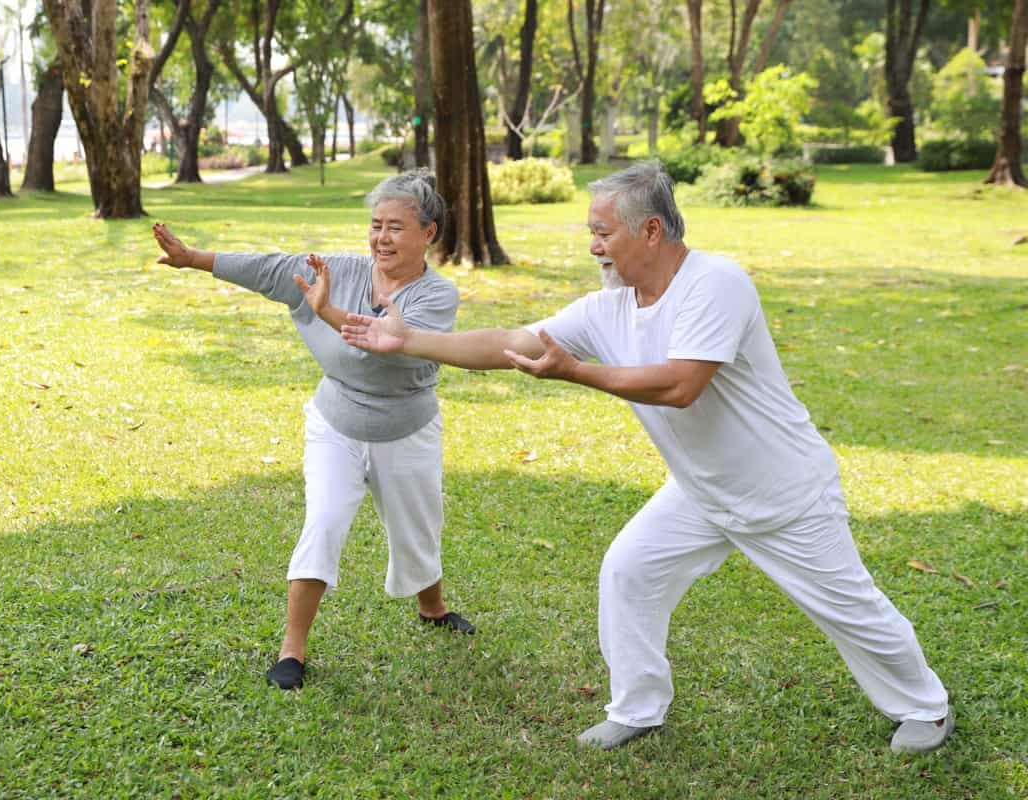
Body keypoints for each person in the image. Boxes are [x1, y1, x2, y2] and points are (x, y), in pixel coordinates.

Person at [340, 160, 953, 753]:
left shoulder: (715, 284)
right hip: (701, 490)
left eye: (602, 233)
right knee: (629, 572)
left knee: (852, 610)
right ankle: (637, 709)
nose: (593, 248)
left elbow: (681, 386)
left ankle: (925, 707)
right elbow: (510, 343)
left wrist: (577, 372)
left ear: (651, 230)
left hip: (783, 491)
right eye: (591, 234)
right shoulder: (609, 306)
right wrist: (408, 339)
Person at [151, 170, 475, 692]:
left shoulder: (438, 296)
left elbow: (391, 338)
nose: (381, 238)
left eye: (396, 227)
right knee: (323, 521)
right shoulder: (336, 270)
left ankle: (432, 609)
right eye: (375, 225)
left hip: (405, 428)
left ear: (429, 234)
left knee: (418, 528)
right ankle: (292, 649)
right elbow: (269, 268)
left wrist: (325, 311)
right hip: (336, 422)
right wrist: (196, 260)